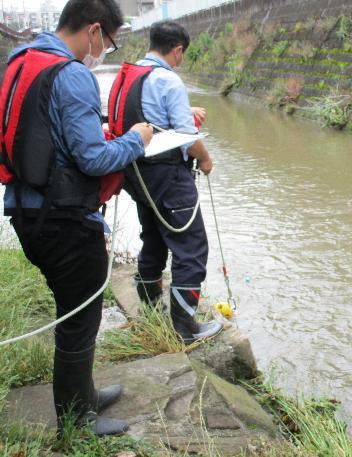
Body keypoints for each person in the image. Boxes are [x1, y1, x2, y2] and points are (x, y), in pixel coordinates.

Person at [0, 0, 153, 436]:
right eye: (107, 41)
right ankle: (76, 420)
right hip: (62, 220)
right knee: (79, 316)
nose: (104, 50)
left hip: (26, 211)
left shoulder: (21, 60)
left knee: (73, 311)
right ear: (93, 31)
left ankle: (82, 396)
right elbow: (92, 157)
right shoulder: (72, 75)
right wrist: (136, 139)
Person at [107, 21, 222, 343]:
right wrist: (205, 157)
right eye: (181, 55)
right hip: (168, 177)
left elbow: (145, 116)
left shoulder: (129, 75)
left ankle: (151, 310)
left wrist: (185, 109)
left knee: (154, 239)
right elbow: (186, 137)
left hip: (137, 176)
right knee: (191, 248)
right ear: (177, 50)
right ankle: (185, 329)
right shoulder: (167, 79)